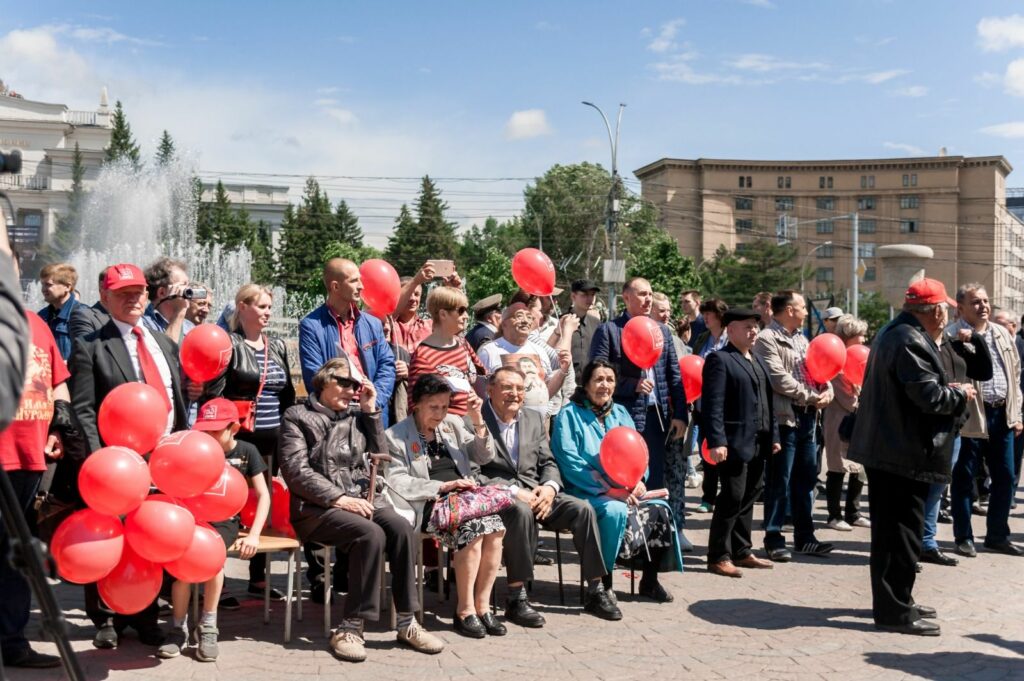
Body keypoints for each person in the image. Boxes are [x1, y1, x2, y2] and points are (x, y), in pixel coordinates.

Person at [279, 357, 444, 662]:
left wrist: (371, 412)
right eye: (343, 381)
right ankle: (350, 627)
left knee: (400, 528)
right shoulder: (297, 415)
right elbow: (295, 470)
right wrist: (338, 499)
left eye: (354, 384)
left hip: (361, 499)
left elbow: (381, 455)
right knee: (370, 535)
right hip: (316, 509)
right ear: (323, 381)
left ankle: (408, 621)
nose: (350, 389)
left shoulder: (358, 415)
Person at [69, 263, 188, 650]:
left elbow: (178, 400)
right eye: (122, 292)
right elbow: (83, 410)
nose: (133, 298)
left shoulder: (163, 342)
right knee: (107, 538)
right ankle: (105, 618)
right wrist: (98, 463)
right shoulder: (91, 347)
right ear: (104, 298)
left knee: (149, 537)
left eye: (138, 291)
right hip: (114, 464)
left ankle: (146, 615)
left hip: (163, 459)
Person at [848, 278, 973, 636]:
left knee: (899, 534)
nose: (947, 314)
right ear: (936, 310)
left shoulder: (900, 332)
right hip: (900, 453)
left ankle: (898, 600)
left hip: (895, 449)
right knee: (899, 535)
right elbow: (929, 397)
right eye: (945, 308)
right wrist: (960, 394)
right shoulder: (908, 339)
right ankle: (893, 611)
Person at [479, 366, 620, 625]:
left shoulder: (532, 418)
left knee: (583, 508)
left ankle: (596, 590)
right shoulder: (477, 419)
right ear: (490, 390)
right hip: (500, 497)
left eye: (520, 389)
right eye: (507, 387)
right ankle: (516, 597)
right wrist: (513, 491)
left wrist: (550, 487)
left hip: (538, 493)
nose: (514, 394)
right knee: (520, 511)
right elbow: (474, 472)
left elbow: (549, 462)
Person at [385, 374, 507, 639]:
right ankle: (464, 611)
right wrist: (441, 488)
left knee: (496, 528)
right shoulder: (395, 436)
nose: (440, 414)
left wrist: (477, 421)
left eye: (444, 406)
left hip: (465, 499)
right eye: (433, 407)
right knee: (473, 530)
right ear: (416, 404)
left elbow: (484, 456)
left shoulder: (452, 424)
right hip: (430, 502)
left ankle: (483, 607)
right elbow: (396, 480)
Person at [552, 360, 684, 602]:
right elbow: (569, 461)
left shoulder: (621, 412)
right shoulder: (568, 415)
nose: (605, 385)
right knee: (613, 511)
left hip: (625, 489)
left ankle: (650, 580)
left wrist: (639, 480)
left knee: (659, 509)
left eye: (610, 380)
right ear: (586, 383)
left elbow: (638, 451)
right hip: (586, 490)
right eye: (599, 379)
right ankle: (604, 580)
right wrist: (609, 490)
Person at [201, 284, 296, 603]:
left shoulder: (278, 345)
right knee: (226, 505)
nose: (268, 311)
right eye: (261, 306)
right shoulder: (229, 344)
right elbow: (213, 392)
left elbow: (287, 396)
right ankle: (218, 577)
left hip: (272, 438)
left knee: (263, 503)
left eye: (270, 306)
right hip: (238, 439)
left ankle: (259, 577)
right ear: (242, 307)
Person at [158, 399, 271, 662]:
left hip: (224, 520)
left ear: (233, 427)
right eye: (204, 430)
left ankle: (208, 626)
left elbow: (263, 495)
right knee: (182, 566)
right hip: (191, 517)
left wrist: (253, 534)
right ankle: (178, 628)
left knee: (212, 561)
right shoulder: (195, 449)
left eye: (215, 431)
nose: (208, 436)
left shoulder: (247, 451)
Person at [0, 310, 68, 669]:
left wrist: (59, 421)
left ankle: (13, 642)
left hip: (29, 459)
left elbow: (57, 381)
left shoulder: (36, 323)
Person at [754, 290, 834, 561]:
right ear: (789, 310)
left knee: (806, 480)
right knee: (780, 480)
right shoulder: (766, 339)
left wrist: (828, 389)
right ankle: (774, 538)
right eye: (802, 307)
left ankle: (805, 538)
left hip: (809, 419)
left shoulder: (802, 339)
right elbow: (779, 380)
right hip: (784, 419)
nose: (805, 312)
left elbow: (820, 370)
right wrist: (812, 395)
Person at [701, 309, 780, 578]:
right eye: (747, 326)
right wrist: (716, 440)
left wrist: (774, 437)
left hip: (759, 441)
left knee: (749, 496)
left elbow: (769, 403)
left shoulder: (756, 360)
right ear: (730, 330)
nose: (753, 331)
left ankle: (742, 549)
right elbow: (713, 404)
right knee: (732, 496)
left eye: (755, 326)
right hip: (733, 443)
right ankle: (717, 555)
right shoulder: (720, 360)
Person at [590, 278, 687, 491]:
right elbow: (597, 375)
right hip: (623, 416)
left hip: (657, 418)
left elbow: (674, 375)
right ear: (626, 297)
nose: (648, 299)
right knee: (626, 480)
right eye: (642, 294)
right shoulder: (610, 330)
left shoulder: (661, 332)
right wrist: (631, 384)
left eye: (650, 294)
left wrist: (681, 413)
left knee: (654, 480)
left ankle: (653, 523)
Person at [949, 284, 1023, 557]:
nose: (983, 306)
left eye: (985, 301)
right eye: (975, 302)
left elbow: (1015, 375)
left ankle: (996, 535)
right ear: (961, 307)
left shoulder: (1003, 333)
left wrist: (1017, 414)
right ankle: (963, 536)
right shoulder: (952, 335)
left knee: (1005, 477)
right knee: (965, 479)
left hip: (1002, 416)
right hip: (970, 418)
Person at [920, 310, 992, 567]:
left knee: (938, 487)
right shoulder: (919, 345)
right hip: (926, 428)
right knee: (923, 489)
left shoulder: (954, 346)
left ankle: (926, 543)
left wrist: (977, 341)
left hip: (953, 427)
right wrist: (951, 390)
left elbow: (984, 371)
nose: (942, 317)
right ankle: (919, 542)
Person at [298, 258, 395, 424]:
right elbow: (314, 376)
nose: (361, 286)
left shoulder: (372, 323)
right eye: (354, 281)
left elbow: (387, 366)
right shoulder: (311, 326)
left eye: (360, 280)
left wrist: (373, 402)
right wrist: (342, 406)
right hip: (333, 417)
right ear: (335, 286)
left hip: (371, 413)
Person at [477, 302, 571, 418]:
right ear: (504, 323)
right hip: (502, 423)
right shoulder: (489, 351)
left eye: (529, 317)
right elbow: (481, 390)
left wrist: (563, 371)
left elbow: (546, 390)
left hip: (538, 423)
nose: (525, 321)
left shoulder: (540, 350)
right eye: (519, 316)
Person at [822, 315, 870, 532]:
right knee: (837, 467)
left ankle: (853, 512)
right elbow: (848, 399)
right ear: (849, 337)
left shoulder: (856, 359)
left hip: (856, 421)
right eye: (860, 335)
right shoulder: (837, 363)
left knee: (858, 468)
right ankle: (834, 515)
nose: (864, 340)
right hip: (839, 422)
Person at [407, 286, 485, 416]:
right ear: (443, 314)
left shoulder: (463, 343)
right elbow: (417, 409)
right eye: (461, 310)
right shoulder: (423, 356)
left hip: (474, 424)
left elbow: (482, 376)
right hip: (446, 431)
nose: (466, 316)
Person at [693, 297, 728, 515]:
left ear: (719, 316)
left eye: (709, 314)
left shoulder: (731, 338)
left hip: (726, 406)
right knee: (706, 452)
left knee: (725, 454)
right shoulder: (702, 339)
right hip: (702, 406)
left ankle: (726, 496)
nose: (705, 318)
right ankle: (708, 497)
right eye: (703, 314)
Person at [548, 280, 602, 384]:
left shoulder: (596, 323)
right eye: (585, 295)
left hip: (589, 384)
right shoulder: (560, 322)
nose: (589, 299)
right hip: (563, 383)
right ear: (573, 296)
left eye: (592, 295)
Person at [141, 257, 195, 343]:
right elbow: (166, 354)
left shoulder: (189, 326)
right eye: (184, 284)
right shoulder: (144, 324)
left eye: (189, 284)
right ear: (162, 293)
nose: (189, 289)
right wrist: (179, 312)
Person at [37, 262, 82, 360]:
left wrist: (68, 364)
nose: (43, 289)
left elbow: (88, 354)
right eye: (42, 284)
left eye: (48, 284)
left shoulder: (83, 314)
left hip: (70, 375)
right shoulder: (41, 316)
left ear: (67, 287)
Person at [69, 269, 111, 341]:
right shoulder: (83, 317)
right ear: (102, 286)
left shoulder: (133, 319)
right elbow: (86, 348)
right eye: (122, 289)